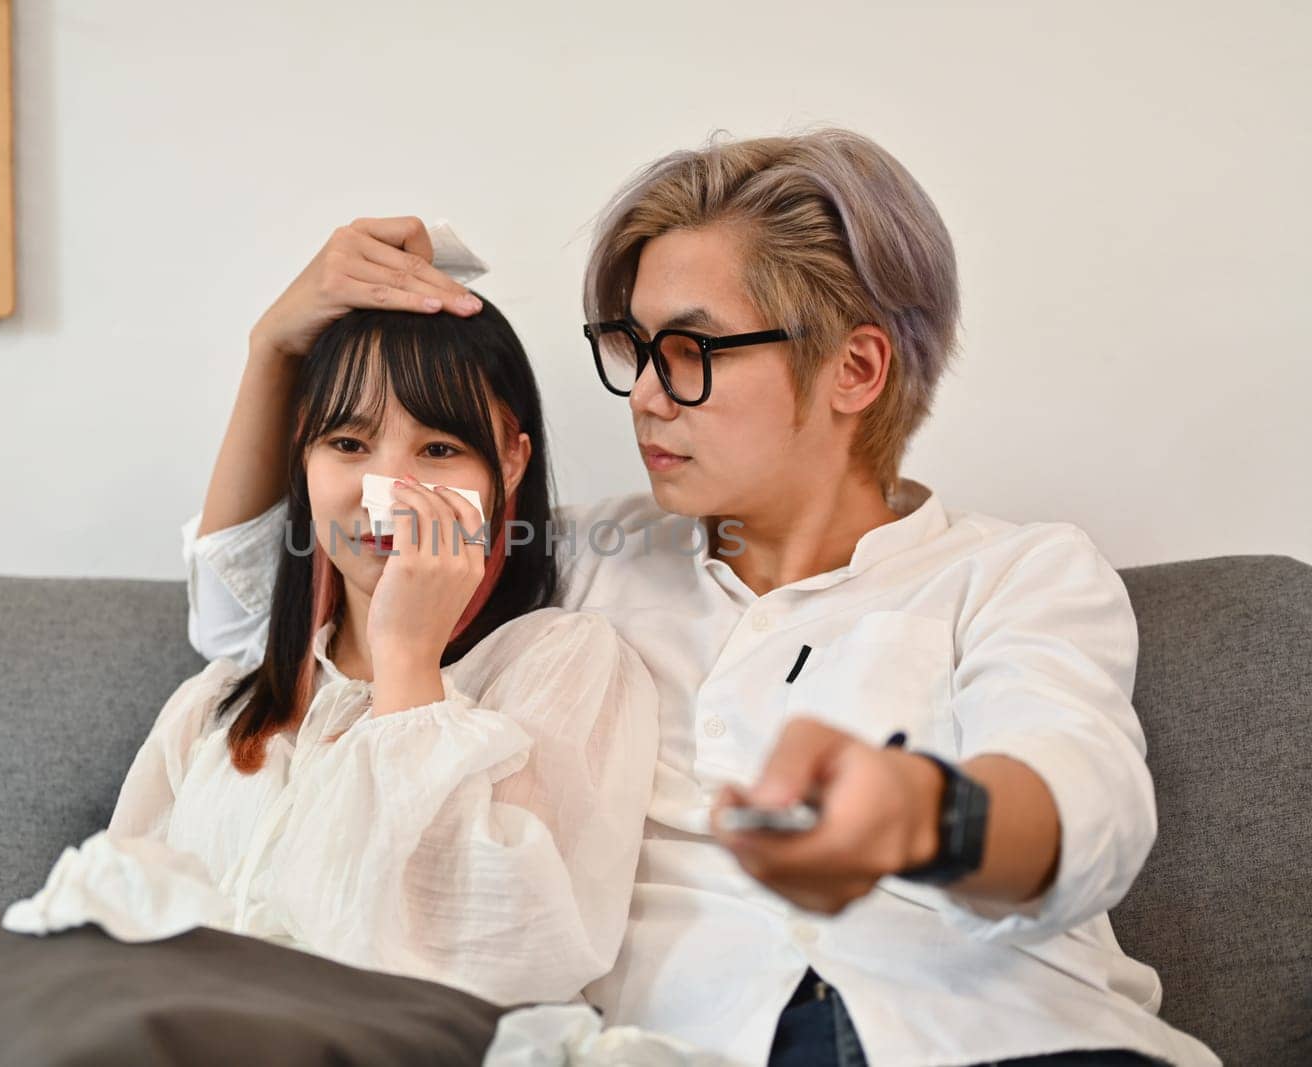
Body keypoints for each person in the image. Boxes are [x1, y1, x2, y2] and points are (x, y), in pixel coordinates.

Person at [185, 130, 1222, 1067]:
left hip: (1002, 1037)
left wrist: (917, 814)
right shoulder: (584, 556)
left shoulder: (1014, 571)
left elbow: (1082, 808)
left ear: (853, 367)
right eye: (631, 347)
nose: (640, 391)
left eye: (687, 351)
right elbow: (254, 630)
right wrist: (275, 345)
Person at [2, 295, 661, 1014]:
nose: (389, 495)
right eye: (349, 445)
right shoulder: (219, 701)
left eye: (439, 449)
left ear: (509, 462)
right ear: (305, 459)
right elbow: (116, 926)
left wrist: (407, 659)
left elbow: (502, 955)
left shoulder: (562, 665)